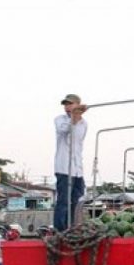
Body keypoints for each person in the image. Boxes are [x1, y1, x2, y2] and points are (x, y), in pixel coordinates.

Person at [54, 93, 88, 231]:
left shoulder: (84, 124)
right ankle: (60, 230)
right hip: (64, 167)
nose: (67, 107)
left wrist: (77, 117)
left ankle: (73, 228)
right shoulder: (59, 119)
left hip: (77, 168)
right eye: (66, 105)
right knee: (63, 201)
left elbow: (78, 143)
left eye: (70, 104)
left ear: (77, 105)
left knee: (77, 200)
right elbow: (63, 130)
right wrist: (73, 118)